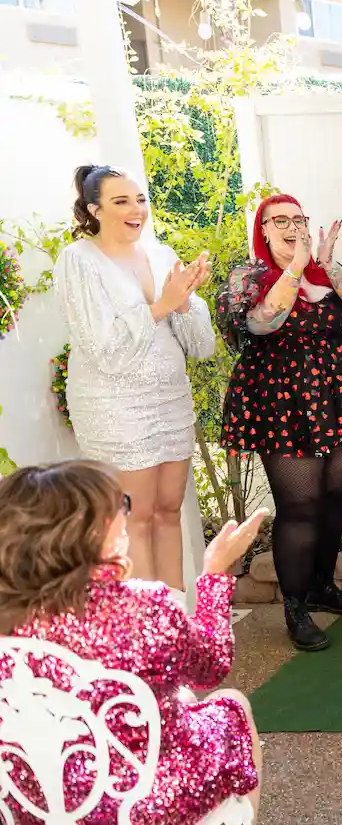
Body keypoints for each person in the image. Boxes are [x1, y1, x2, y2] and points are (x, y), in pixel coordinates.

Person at [0, 461, 278, 825]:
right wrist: (215, 577)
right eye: (117, 508)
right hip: (142, 806)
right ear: (88, 533)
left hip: (39, 816)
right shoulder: (144, 608)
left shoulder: (11, 621)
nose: (124, 515)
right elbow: (212, 667)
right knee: (231, 705)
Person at [217, 195, 342, 652]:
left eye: (298, 219)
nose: (291, 226)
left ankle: (322, 585)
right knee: (299, 504)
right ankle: (295, 609)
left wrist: (328, 265)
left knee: (335, 492)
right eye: (279, 220)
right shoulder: (251, 276)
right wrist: (295, 268)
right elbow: (262, 324)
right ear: (262, 230)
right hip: (281, 396)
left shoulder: (329, 273)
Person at [54, 165, 216, 590]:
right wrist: (163, 304)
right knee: (135, 517)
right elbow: (103, 347)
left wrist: (184, 302)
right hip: (116, 404)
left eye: (140, 199)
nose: (135, 210)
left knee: (168, 511)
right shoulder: (79, 261)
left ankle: (177, 623)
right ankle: (147, 634)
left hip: (170, 398)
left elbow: (201, 345)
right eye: (121, 201)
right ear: (94, 210)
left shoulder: (160, 254)